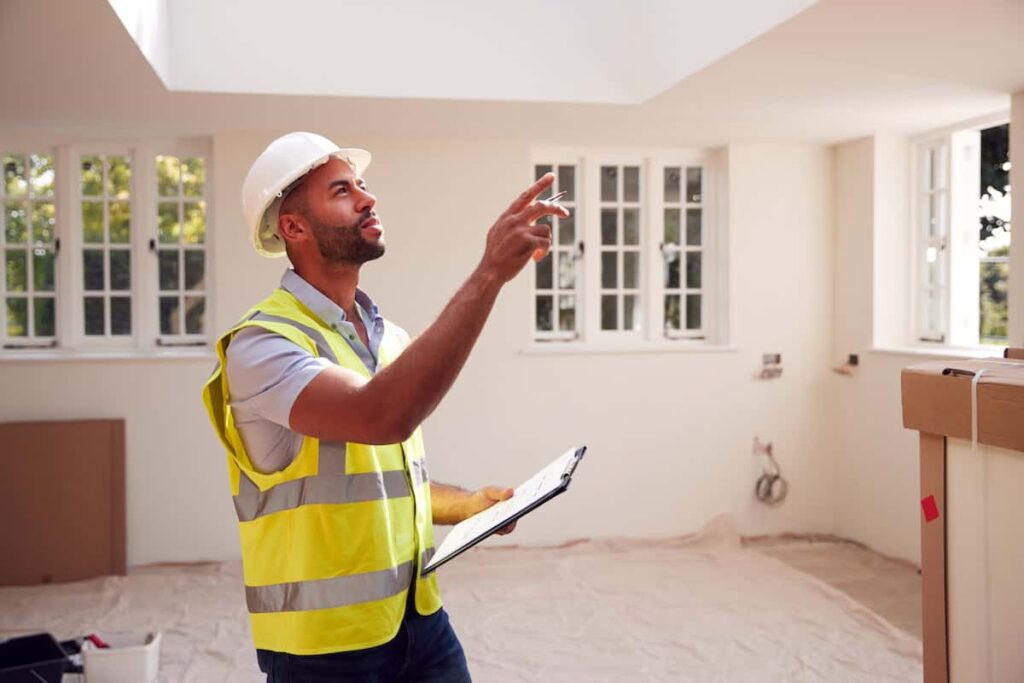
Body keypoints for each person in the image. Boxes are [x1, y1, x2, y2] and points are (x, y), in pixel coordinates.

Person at [201, 131, 567, 682]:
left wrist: (467, 506)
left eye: (363, 186)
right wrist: (489, 272)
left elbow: (381, 478)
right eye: (342, 190)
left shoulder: (386, 338)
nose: (367, 199)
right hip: (323, 648)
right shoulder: (262, 344)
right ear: (293, 227)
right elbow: (381, 417)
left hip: (416, 618)